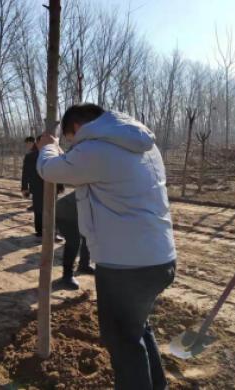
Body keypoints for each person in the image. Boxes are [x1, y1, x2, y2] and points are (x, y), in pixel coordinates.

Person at [36, 103, 176, 390]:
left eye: (71, 139)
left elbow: (49, 170)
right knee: (137, 328)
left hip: (125, 267)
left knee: (122, 341)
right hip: (159, 259)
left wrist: (48, 146)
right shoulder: (143, 145)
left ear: (77, 128)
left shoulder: (97, 149)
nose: (73, 146)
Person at [21, 135, 63, 241]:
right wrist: (24, 187)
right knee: (39, 210)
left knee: (55, 210)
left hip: (53, 186)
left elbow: (59, 170)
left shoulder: (55, 155)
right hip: (37, 187)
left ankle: (54, 233)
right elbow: (25, 173)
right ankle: (40, 233)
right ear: (38, 143)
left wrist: (61, 184)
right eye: (43, 142)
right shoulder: (30, 156)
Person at [55, 191, 94, 290]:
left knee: (88, 235)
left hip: (81, 212)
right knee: (74, 241)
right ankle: (67, 276)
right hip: (65, 211)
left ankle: (84, 265)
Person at [22, 136, 36, 212]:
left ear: (32, 143)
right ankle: (35, 205)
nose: (27, 146)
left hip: (35, 177)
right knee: (34, 192)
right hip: (33, 177)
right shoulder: (31, 153)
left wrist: (24, 187)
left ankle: (36, 205)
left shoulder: (31, 155)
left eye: (28, 144)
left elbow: (25, 171)